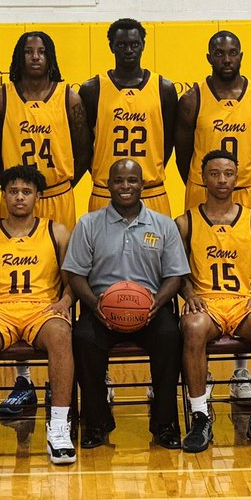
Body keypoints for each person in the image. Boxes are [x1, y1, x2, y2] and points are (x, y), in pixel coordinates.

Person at [0, 31, 90, 414]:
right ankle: (23, 378)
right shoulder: (2, 97)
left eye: (41, 51)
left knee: (66, 282)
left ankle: (69, 377)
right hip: (14, 196)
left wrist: (55, 186)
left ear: (51, 56)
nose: (34, 57)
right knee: (12, 285)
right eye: (28, 51)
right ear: (18, 56)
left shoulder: (69, 96)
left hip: (57, 194)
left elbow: (82, 151)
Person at [0, 165, 75, 467]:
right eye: (13, 191)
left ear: (37, 196)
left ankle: (58, 426)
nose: (19, 197)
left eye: (26, 192)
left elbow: (72, 281)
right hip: (0, 310)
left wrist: (66, 301)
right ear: (3, 195)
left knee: (60, 334)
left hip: (42, 310)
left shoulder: (56, 231)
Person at [63, 158, 189, 450]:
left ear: (142, 185)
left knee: (171, 337)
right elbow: (75, 274)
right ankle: (97, 421)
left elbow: (175, 276)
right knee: (82, 339)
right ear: (108, 185)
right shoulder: (89, 224)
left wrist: (157, 303)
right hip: (102, 308)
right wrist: (96, 306)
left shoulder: (163, 224)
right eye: (118, 181)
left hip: (150, 309)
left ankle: (164, 423)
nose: (125, 186)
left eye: (132, 181)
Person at [175, 150, 251, 453]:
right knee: (193, 327)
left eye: (228, 173)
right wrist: (190, 295)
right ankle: (200, 414)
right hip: (206, 303)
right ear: (202, 177)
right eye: (214, 173)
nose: (221, 180)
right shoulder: (185, 222)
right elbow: (178, 272)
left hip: (241, 303)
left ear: (237, 177)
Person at [79, 18, 178, 215]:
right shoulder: (92, 89)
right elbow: (85, 145)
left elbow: (167, 143)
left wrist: (149, 172)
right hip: (105, 193)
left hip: (151, 191)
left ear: (143, 45)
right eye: (121, 45)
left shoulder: (163, 88)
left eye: (134, 44)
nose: (129, 50)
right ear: (111, 47)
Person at [176, 30, 251, 215]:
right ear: (209, 58)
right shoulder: (192, 99)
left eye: (233, 53)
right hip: (202, 191)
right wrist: (202, 181)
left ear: (241, 56)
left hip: (245, 189)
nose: (227, 59)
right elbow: (182, 156)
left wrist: (244, 178)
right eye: (219, 53)